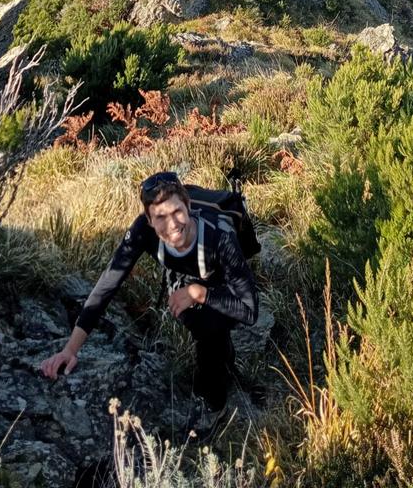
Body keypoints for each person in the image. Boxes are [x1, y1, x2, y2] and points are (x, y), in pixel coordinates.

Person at [41, 171, 259, 439]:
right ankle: (223, 364)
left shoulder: (220, 235)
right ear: (149, 219)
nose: (172, 225)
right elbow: (107, 285)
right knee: (203, 326)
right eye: (160, 217)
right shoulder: (142, 231)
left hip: (222, 282)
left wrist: (199, 292)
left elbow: (249, 310)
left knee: (210, 325)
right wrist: (70, 349)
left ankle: (212, 403)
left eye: (178, 212)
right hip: (186, 281)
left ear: (188, 205)